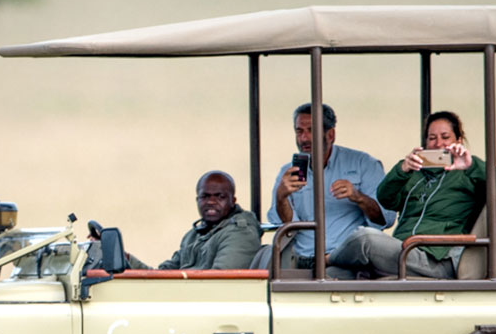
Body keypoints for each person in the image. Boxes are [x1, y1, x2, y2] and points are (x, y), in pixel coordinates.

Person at [330, 110, 496, 279]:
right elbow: (385, 199)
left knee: (366, 238)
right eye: (432, 138)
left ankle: (328, 257)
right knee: (331, 275)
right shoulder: (416, 174)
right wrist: (402, 170)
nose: (438, 144)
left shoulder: (471, 173)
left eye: (445, 137)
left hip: (435, 259)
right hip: (404, 251)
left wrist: (472, 165)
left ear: (459, 141)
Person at [267, 103, 396, 269]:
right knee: (265, 266)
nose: (304, 138)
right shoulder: (288, 172)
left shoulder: (363, 164)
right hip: (301, 260)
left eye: (311, 130)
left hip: (345, 262)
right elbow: (288, 227)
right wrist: (281, 197)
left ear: (330, 135)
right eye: (299, 131)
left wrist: (358, 197)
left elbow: (386, 218)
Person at [124, 170, 262, 270]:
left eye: (219, 196)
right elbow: (164, 275)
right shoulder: (194, 235)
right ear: (197, 200)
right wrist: (127, 260)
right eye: (205, 197)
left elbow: (221, 283)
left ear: (233, 201)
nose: (211, 202)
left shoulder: (240, 233)